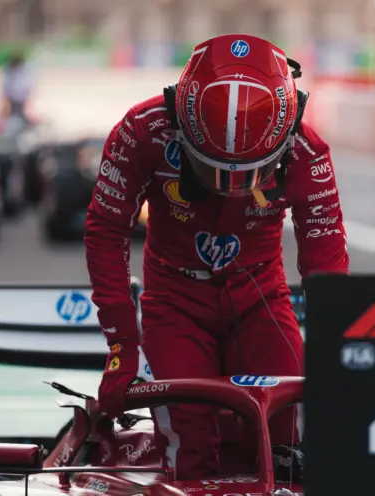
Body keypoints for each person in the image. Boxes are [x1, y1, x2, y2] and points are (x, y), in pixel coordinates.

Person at [85, 34, 349, 480]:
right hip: (173, 301)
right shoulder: (141, 130)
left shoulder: (307, 150)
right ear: (180, 125)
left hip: (260, 295)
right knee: (189, 448)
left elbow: (326, 263)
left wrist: (335, 350)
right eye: (210, 170)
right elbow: (106, 230)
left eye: (252, 174)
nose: (230, 187)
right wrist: (121, 345)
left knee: (285, 442)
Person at [0, 52, 33, 119]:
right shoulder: (8, 71)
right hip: (12, 100)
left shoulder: (25, 71)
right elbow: (5, 88)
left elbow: (28, 88)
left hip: (21, 100)